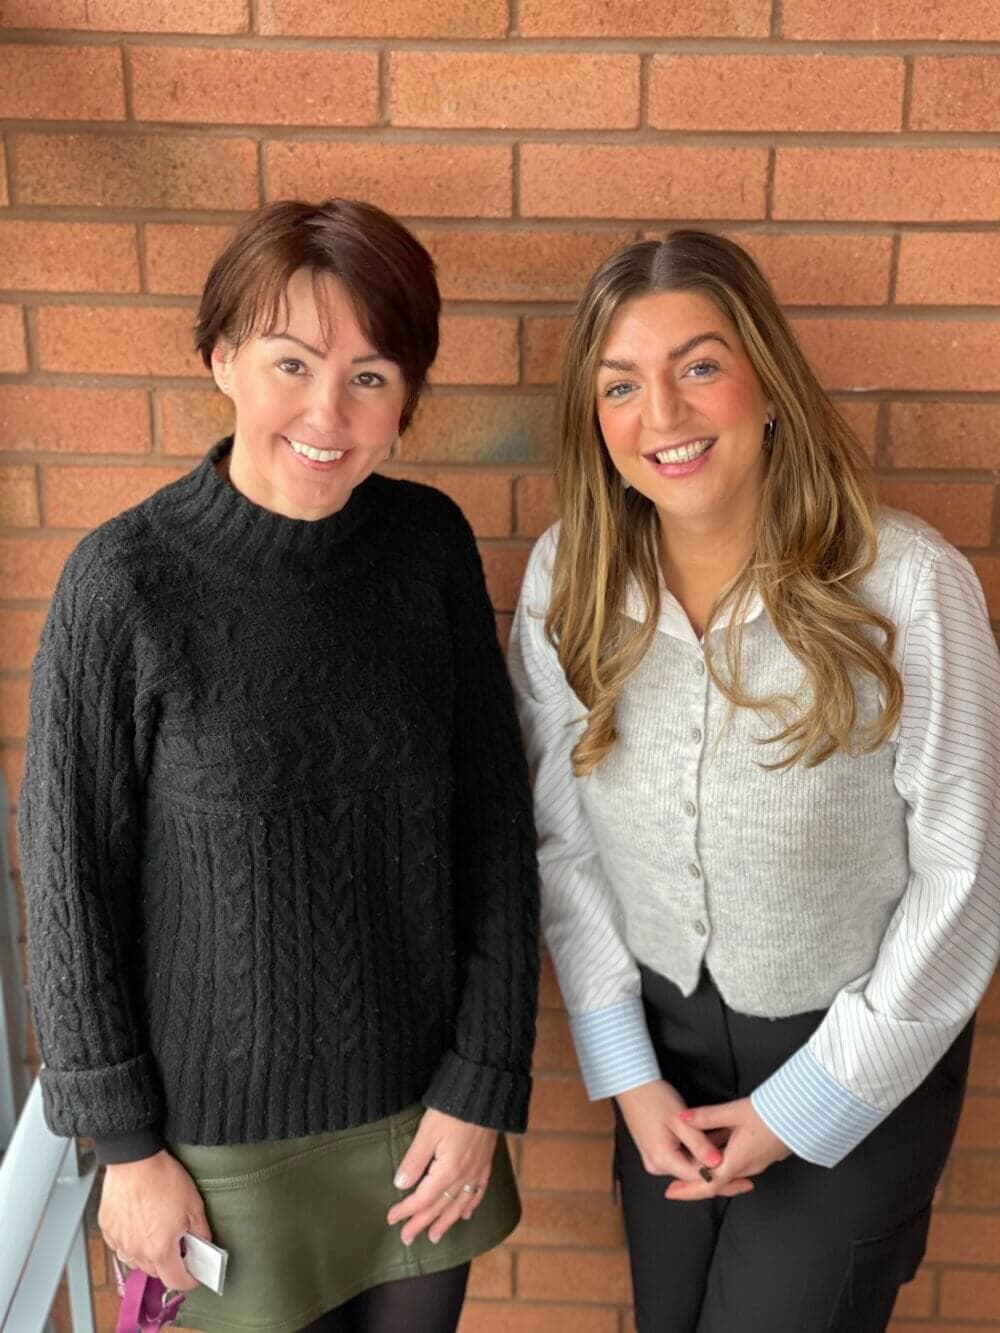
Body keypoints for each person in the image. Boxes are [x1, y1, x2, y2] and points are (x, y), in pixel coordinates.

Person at [19, 197, 539, 1333]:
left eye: (370, 374)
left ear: (407, 395)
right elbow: (68, 892)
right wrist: (129, 1150)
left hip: (420, 1133)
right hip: (212, 1159)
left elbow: (497, 829)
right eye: (291, 362)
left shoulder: (428, 549)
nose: (326, 410)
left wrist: (481, 1080)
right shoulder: (124, 584)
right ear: (220, 359)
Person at [508, 230, 1000, 1332]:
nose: (663, 418)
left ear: (767, 381)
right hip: (663, 1059)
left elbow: (968, 876)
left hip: (856, 1052)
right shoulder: (568, 580)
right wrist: (627, 1073)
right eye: (621, 384)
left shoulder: (905, 586)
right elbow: (561, 843)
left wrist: (809, 1102)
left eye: (698, 366)